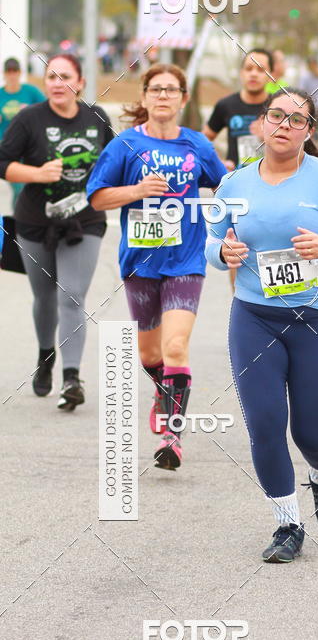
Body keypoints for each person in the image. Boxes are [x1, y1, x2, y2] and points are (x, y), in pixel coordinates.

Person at [205, 89, 318, 563]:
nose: (283, 124)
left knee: (313, 434)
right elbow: (212, 247)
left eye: (295, 119)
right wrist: (223, 254)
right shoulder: (234, 185)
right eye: (275, 116)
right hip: (254, 317)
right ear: (261, 124)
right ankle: (287, 523)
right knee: (264, 424)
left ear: (309, 131)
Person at [87, 63, 227, 471]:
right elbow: (96, 198)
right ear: (145, 97)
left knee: (176, 346)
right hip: (140, 263)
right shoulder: (125, 146)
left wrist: (232, 226)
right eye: (156, 89)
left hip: (186, 260)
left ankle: (172, 437)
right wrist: (136, 190)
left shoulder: (197, 145)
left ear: (184, 99)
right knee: (150, 353)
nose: (163, 95)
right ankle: (163, 390)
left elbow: (225, 186)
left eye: (172, 89)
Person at [0, 53, 113, 410]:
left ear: (79, 82)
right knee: (45, 297)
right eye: (51, 76)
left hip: (85, 221)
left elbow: (114, 162)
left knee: (72, 296)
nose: (57, 83)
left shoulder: (96, 117)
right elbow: (2, 163)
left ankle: (71, 377)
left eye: (65, 76)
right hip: (34, 222)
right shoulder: (29, 119)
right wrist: (36, 174)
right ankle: (46, 355)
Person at [204, 48, 274, 291]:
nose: (254, 74)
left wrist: (267, 133)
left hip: (274, 185)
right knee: (237, 250)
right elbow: (204, 141)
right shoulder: (226, 105)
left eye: (260, 69)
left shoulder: (277, 107)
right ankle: (243, 303)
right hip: (238, 188)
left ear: (271, 74)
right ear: (241, 73)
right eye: (249, 68)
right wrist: (219, 164)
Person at [0, 58, 45, 208]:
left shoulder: (30, 91)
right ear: (4, 74)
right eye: (9, 71)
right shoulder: (1, 94)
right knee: (18, 186)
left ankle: (27, 218)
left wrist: (31, 112)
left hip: (29, 146)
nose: (12, 75)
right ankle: (19, 218)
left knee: (29, 185)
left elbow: (47, 108)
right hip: (7, 149)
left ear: (20, 73)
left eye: (15, 71)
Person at [298, 57, 318, 140]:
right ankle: (315, 146)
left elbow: (301, 91)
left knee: (313, 128)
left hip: (315, 106)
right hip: (316, 106)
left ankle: (314, 146)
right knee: (315, 128)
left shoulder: (307, 77)